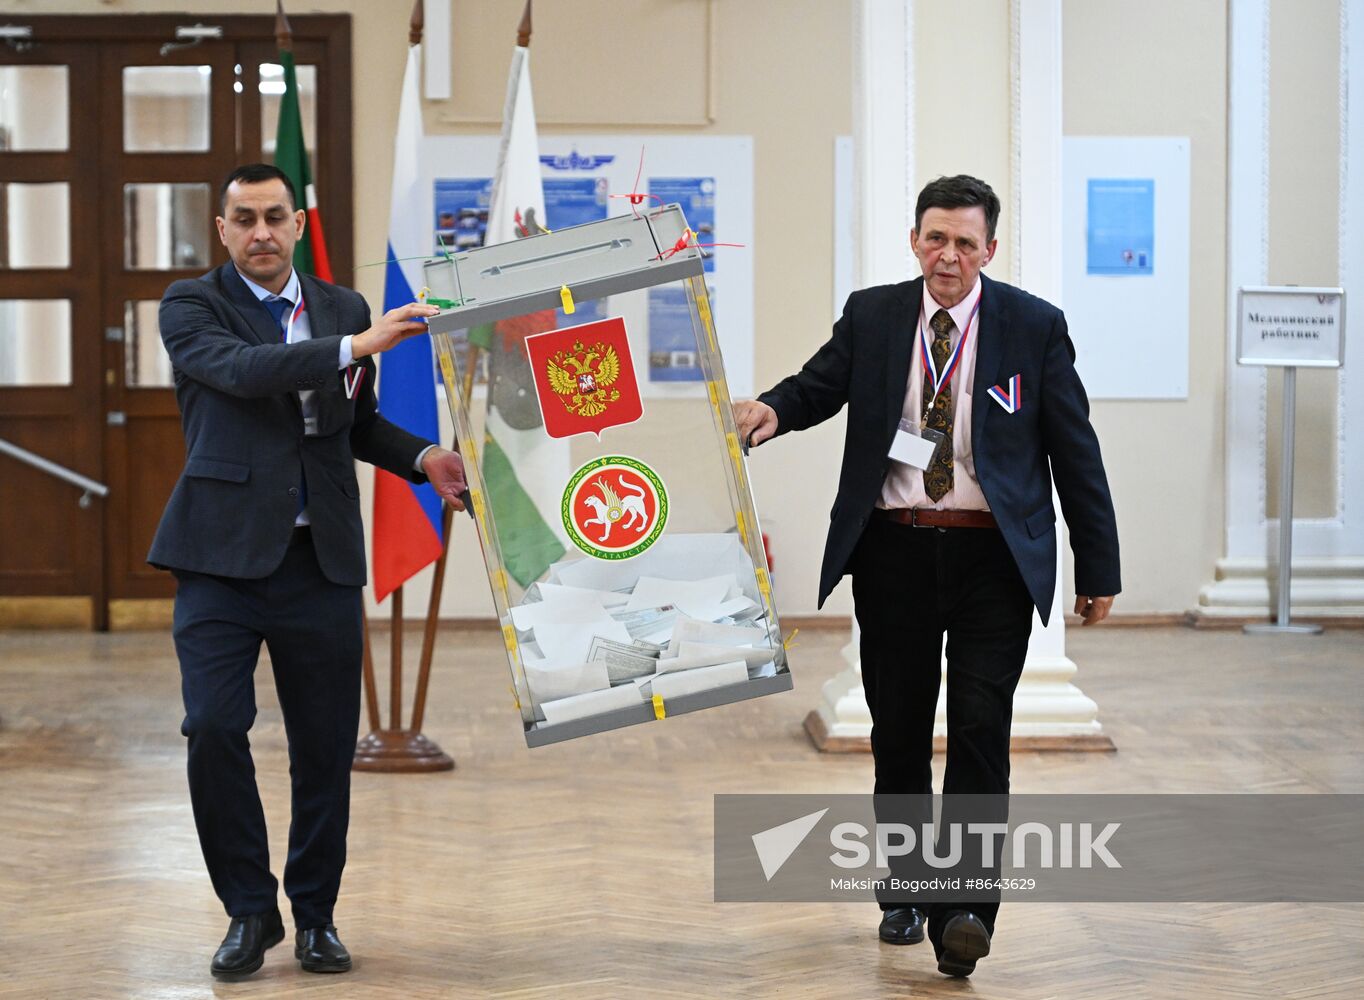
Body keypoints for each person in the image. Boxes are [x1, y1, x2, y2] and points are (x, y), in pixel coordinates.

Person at [734, 175, 1120, 978]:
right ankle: (905, 889)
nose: (949, 256)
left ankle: (968, 910)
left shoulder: (1033, 326)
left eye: (966, 243)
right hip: (895, 550)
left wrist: (1099, 562)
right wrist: (770, 411)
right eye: (936, 238)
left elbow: (1074, 448)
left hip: (994, 560)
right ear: (916, 240)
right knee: (900, 731)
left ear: (990, 250)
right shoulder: (875, 315)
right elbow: (817, 386)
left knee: (981, 732)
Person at [148, 163, 466, 979]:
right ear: (221, 229)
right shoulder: (192, 306)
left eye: (275, 217)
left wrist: (422, 455)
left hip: (318, 560)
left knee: (324, 747)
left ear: (297, 224)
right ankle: (249, 913)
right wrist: (356, 346)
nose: (261, 232)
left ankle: (317, 914)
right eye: (244, 218)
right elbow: (244, 374)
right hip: (218, 561)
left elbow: (350, 424)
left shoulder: (340, 306)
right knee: (213, 728)